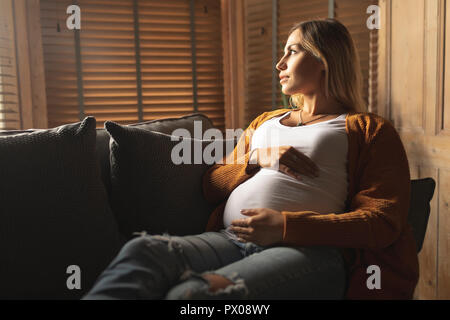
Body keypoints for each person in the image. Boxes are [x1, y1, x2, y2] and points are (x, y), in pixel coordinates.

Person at [83, 18, 419, 300]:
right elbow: (212, 185)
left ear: (324, 59)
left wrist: (287, 227)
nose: (279, 64)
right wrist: (258, 158)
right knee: (143, 252)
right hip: (229, 239)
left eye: (293, 51)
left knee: (194, 297)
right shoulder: (265, 121)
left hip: (309, 251)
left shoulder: (369, 130)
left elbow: (382, 221)